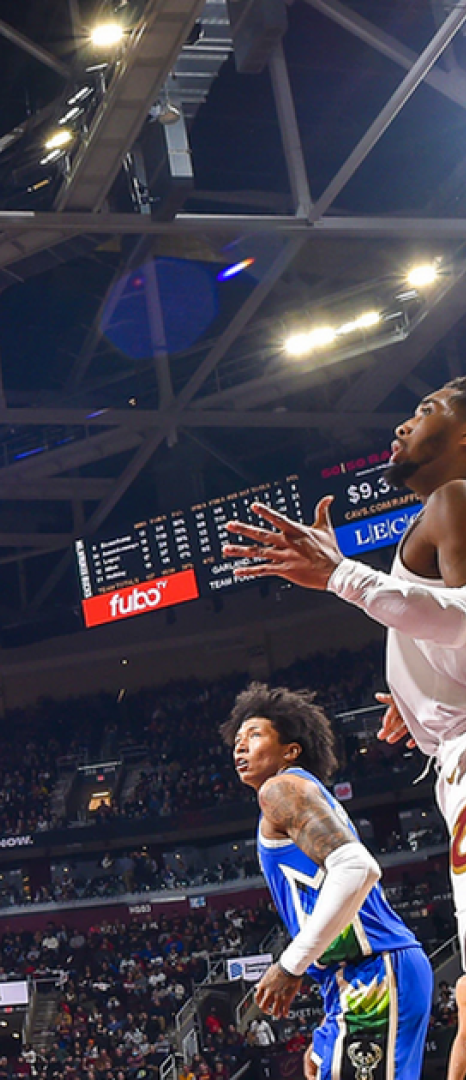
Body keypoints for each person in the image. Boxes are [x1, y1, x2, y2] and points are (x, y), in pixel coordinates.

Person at [224, 378, 466, 1078]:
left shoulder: (455, 498)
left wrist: (341, 575)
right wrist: (421, 701)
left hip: (370, 967)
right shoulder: (439, 513)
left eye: (425, 411)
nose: (402, 425)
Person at [225, 682, 431, 1080]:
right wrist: (330, 1020)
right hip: (353, 980)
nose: (240, 746)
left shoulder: (281, 788)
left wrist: (289, 965)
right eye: (237, 740)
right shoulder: (300, 794)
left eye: (255, 735)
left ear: (291, 750)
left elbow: (357, 868)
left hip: (373, 970)